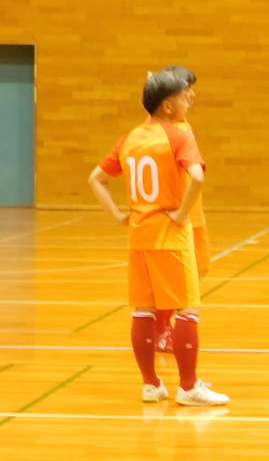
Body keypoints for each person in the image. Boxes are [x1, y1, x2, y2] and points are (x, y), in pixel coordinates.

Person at [88, 71, 229, 405]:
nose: (189, 100)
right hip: (170, 235)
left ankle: (151, 384)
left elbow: (95, 179)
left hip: (139, 235)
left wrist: (118, 216)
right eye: (184, 95)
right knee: (188, 309)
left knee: (143, 311)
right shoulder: (178, 136)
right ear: (167, 105)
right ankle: (189, 387)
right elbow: (197, 177)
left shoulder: (130, 138)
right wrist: (181, 214)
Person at [151, 66, 211, 353]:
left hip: (193, 213)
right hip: (177, 215)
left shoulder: (183, 126)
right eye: (187, 90)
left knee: (196, 271)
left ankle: (168, 329)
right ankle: (162, 330)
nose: (192, 95)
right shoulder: (164, 131)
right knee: (176, 280)